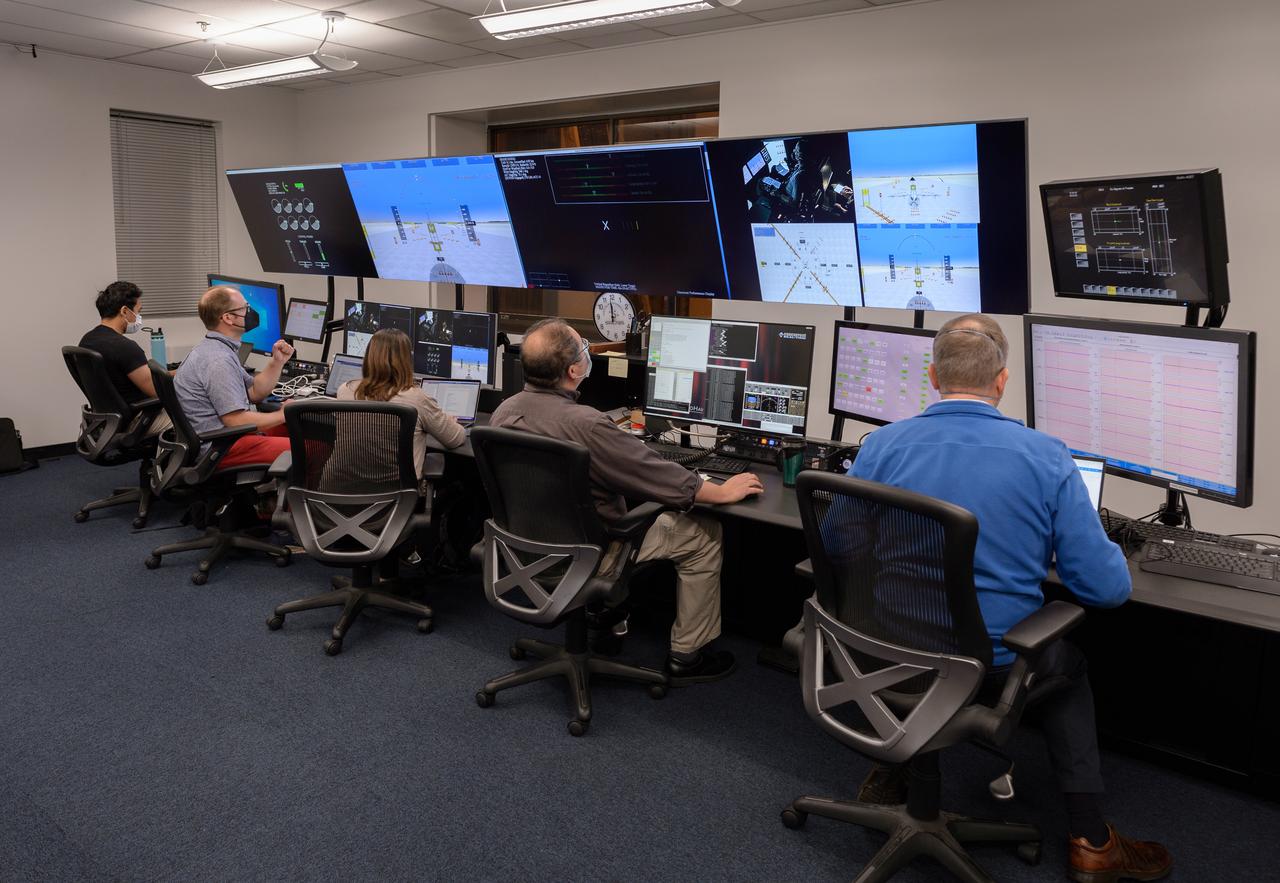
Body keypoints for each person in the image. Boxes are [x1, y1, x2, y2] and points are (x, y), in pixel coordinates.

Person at [845, 313, 1172, 882]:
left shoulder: (881, 446)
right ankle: (1092, 839)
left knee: (930, 632)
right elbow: (1107, 590)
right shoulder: (1046, 456)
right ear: (1001, 382)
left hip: (883, 652)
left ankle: (896, 768)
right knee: (1068, 666)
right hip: (987, 666)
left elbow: (839, 544)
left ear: (933, 376)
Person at [490, 318, 764, 685]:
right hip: (590, 553)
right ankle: (687, 655)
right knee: (704, 533)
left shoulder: (504, 412)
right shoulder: (586, 425)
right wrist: (722, 491)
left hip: (523, 548)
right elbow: (659, 476)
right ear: (574, 370)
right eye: (585, 350)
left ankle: (604, 617)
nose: (588, 355)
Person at [173, 285, 294, 470]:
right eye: (245, 308)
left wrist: (277, 362)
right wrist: (282, 414)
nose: (250, 312)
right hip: (221, 447)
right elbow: (235, 420)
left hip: (224, 437)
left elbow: (254, 392)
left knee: (296, 429)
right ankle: (293, 499)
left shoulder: (216, 348)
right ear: (228, 318)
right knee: (309, 449)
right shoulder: (218, 360)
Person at [336, 328, 466, 483]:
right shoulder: (416, 398)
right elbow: (455, 439)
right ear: (406, 360)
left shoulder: (345, 390)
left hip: (343, 491)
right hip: (398, 497)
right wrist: (449, 422)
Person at [78, 281, 171, 436]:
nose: (139, 317)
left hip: (108, 421)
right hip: (137, 420)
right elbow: (158, 392)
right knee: (195, 417)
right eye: (138, 311)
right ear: (125, 311)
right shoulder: (124, 347)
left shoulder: (87, 340)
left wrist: (173, 373)